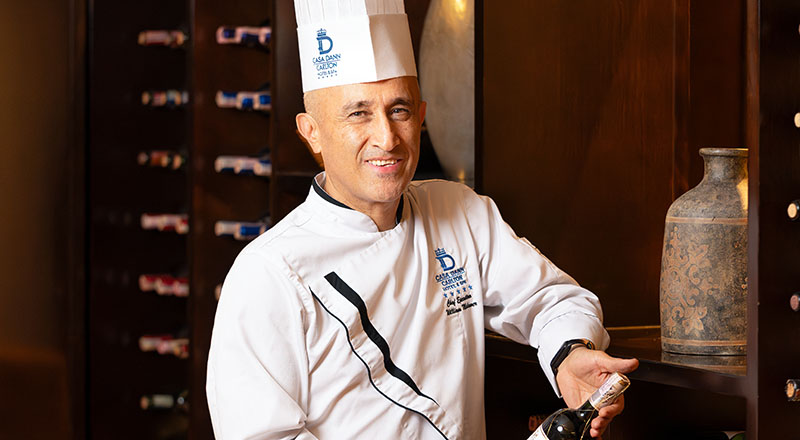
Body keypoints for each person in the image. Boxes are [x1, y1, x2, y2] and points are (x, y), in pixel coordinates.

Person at [206, 1, 639, 439]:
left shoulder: (459, 211)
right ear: (311, 132)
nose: (387, 138)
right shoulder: (267, 274)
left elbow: (555, 299)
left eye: (400, 110)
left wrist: (569, 353)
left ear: (422, 116)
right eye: (358, 113)